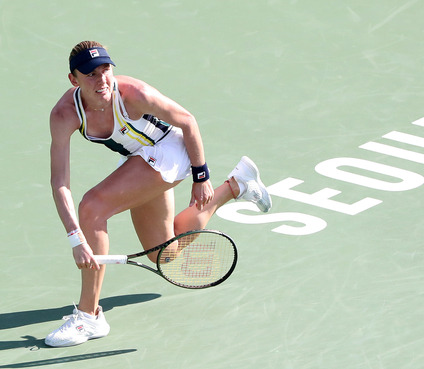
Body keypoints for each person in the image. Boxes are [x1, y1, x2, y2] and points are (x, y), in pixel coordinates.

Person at [45, 41, 271, 347]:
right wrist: (75, 238)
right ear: (73, 80)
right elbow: (60, 181)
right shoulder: (64, 115)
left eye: (106, 70)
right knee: (163, 255)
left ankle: (89, 316)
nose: (101, 80)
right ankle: (237, 185)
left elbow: (188, 121)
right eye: (90, 75)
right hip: (138, 159)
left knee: (93, 207)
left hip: (170, 151)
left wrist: (200, 175)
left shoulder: (134, 95)